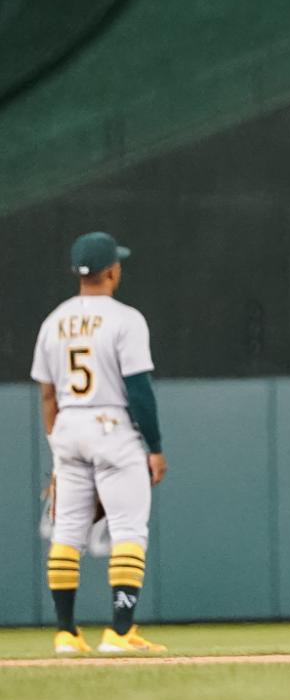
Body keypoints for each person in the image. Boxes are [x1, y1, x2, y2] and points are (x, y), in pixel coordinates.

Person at [32, 232, 167, 655]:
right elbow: (139, 391)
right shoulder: (126, 319)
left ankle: (66, 633)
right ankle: (120, 632)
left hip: (68, 426)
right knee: (128, 529)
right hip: (111, 425)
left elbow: (47, 395)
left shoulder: (54, 321)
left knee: (67, 533)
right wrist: (155, 446)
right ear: (112, 270)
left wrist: (58, 448)